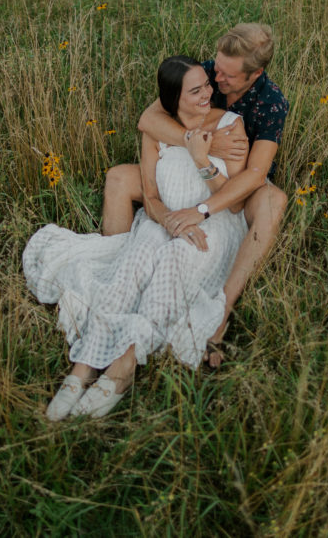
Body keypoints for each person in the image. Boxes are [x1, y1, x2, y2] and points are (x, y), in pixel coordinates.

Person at [23, 56, 249, 420]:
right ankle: (82, 367)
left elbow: (236, 205)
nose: (208, 93)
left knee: (172, 262)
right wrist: (171, 223)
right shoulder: (156, 131)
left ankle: (122, 367)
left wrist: (202, 160)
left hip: (214, 224)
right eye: (196, 90)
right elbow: (151, 196)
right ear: (173, 99)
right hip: (163, 219)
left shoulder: (229, 126)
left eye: (206, 84)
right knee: (135, 261)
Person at [102, 24, 289, 368]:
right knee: (118, 178)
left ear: (255, 73)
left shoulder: (271, 102)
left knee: (274, 201)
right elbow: (149, 119)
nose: (217, 79)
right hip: (182, 167)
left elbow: (256, 173)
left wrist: (203, 209)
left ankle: (221, 316)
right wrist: (206, 141)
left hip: (234, 185)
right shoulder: (208, 74)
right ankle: (115, 271)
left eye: (227, 75)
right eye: (216, 67)